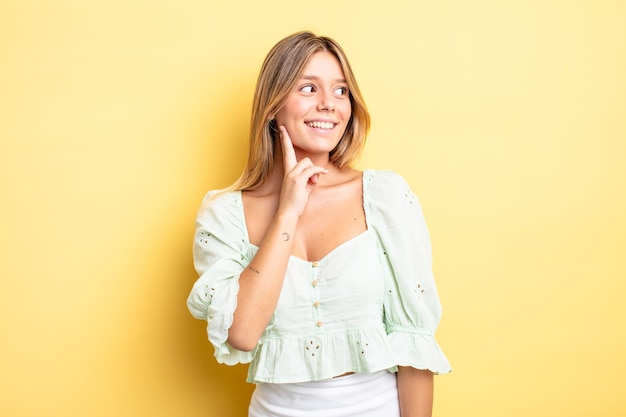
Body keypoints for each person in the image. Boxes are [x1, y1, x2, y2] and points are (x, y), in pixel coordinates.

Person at [187, 31, 451, 417]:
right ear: (273, 106)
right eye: (309, 88)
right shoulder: (224, 215)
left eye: (341, 91)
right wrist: (287, 212)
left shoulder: (384, 196)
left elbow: (414, 343)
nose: (329, 104)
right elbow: (242, 334)